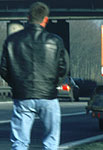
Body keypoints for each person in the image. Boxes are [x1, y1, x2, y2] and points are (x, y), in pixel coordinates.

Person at [0, 2, 69, 150]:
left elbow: (4, 69)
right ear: (46, 20)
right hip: (48, 96)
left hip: (23, 96)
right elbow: (63, 68)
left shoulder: (12, 40)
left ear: (28, 18)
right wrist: (52, 83)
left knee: (19, 142)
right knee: (51, 142)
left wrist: (17, 84)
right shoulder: (55, 41)